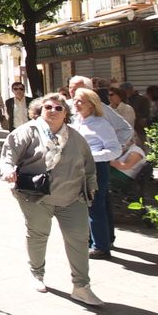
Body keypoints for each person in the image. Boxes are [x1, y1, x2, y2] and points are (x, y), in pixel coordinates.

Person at [0, 95, 102, 305]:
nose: (53, 110)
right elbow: (8, 156)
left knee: (79, 239)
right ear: (39, 110)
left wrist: (90, 190)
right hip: (36, 196)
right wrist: (8, 171)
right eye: (48, 107)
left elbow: (89, 165)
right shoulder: (27, 132)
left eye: (59, 107)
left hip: (72, 197)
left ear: (66, 113)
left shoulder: (75, 137)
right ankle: (36, 273)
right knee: (38, 234)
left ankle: (81, 286)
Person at [69, 87, 121, 260]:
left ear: (91, 105)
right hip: (78, 169)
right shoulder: (76, 122)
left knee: (95, 206)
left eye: (80, 101)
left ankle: (101, 246)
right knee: (84, 207)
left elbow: (115, 150)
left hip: (96, 169)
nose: (75, 103)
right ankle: (91, 241)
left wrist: (91, 156)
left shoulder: (101, 124)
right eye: (75, 99)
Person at [67, 74, 135, 150]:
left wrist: (112, 148)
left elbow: (126, 129)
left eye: (76, 89)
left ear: (89, 90)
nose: (72, 91)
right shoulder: (64, 106)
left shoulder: (100, 107)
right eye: (70, 88)